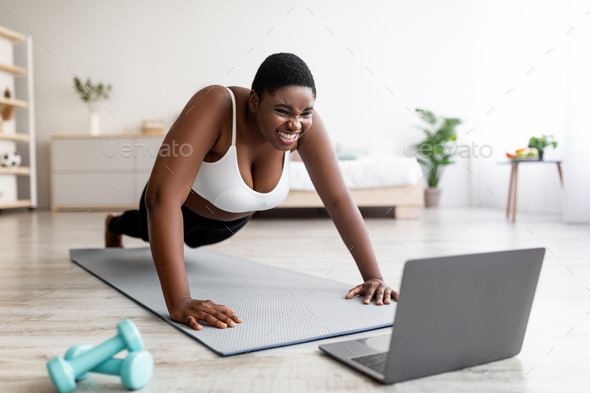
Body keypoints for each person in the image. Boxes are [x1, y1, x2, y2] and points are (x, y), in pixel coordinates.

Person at [105, 53, 399, 331]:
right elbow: (161, 198)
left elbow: (337, 199)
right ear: (256, 101)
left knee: (191, 246)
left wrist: (373, 276)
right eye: (283, 111)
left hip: (227, 226)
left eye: (304, 113)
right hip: (174, 212)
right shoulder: (216, 104)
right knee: (142, 229)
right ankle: (115, 224)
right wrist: (179, 301)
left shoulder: (305, 125)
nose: (295, 124)